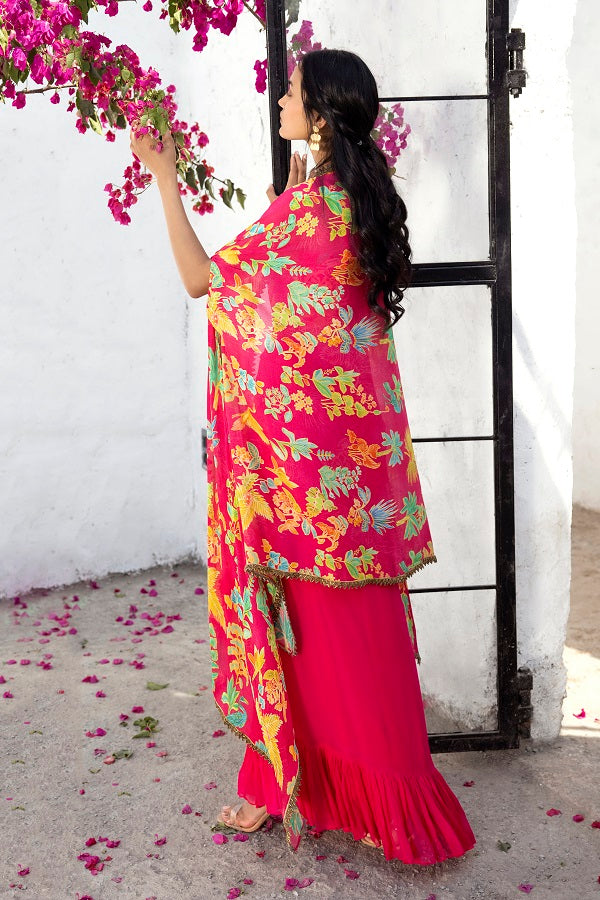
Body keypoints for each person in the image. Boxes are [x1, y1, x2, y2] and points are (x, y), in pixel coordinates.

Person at [130, 48, 476, 864]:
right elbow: (314, 323)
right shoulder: (350, 203)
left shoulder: (307, 214)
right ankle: (354, 796)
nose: (280, 99)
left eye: (291, 92)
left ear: (319, 116)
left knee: (309, 639)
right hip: (353, 486)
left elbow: (202, 280)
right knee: (352, 644)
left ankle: (288, 784)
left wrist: (165, 179)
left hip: (296, 488)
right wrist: (288, 195)